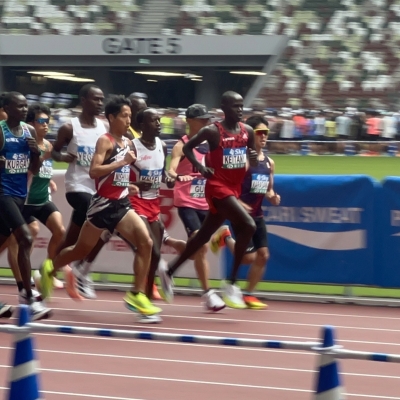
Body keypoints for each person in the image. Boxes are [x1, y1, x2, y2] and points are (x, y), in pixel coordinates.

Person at [52, 95, 161, 321]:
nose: (128, 120)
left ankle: (136, 295)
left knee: (146, 242)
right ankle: (49, 269)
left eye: (130, 116)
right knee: (79, 251)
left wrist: (129, 185)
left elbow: (118, 176)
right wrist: (122, 162)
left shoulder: (128, 142)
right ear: (111, 117)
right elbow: (94, 171)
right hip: (102, 205)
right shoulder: (105, 140)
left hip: (121, 203)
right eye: (124, 116)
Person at [158, 91, 258, 307]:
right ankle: (230, 283)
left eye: (242, 106)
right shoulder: (212, 132)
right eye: (235, 106)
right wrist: (202, 168)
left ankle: (170, 270)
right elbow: (186, 148)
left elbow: (253, 163)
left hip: (233, 188)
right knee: (248, 226)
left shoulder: (247, 131)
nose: (240, 110)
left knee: (201, 240)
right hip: (216, 189)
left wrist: (253, 159)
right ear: (224, 107)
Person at [210, 115, 281, 309]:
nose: (263, 137)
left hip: (257, 214)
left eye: (266, 133)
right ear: (250, 135)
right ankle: (225, 236)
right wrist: (238, 203)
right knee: (248, 258)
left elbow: (268, 189)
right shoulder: (241, 160)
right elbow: (227, 185)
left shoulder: (269, 163)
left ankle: (249, 295)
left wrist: (273, 196)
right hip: (240, 214)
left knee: (263, 255)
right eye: (259, 133)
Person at [46, 84, 108, 300]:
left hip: (96, 188)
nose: (100, 103)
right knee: (103, 217)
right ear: (83, 100)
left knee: (71, 239)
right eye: (95, 99)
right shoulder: (69, 127)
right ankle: (81, 271)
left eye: (102, 99)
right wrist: (62, 157)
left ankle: (47, 273)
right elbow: (54, 150)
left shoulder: (103, 128)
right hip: (77, 187)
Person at [168, 104, 225, 311]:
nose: (206, 123)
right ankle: (208, 294)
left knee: (196, 250)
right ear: (190, 121)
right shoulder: (180, 145)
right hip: (187, 203)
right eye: (202, 119)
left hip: (206, 203)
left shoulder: (210, 146)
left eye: (207, 119)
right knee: (201, 248)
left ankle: (172, 252)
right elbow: (171, 171)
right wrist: (177, 176)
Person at [0, 92, 51, 319]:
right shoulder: (1, 131)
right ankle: (28, 298)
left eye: (25, 106)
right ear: (7, 108)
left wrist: (34, 152)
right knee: (26, 238)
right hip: (2, 194)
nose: (23, 110)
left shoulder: (29, 132)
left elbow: (36, 168)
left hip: (20, 195)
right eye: (19, 106)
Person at [129, 107, 175, 301]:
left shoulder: (162, 146)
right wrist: (136, 184)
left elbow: (161, 171)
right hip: (135, 202)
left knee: (156, 255)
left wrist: (169, 179)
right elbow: (116, 176)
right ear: (141, 125)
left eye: (159, 120)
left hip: (153, 202)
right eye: (153, 121)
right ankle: (137, 293)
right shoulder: (131, 147)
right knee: (149, 249)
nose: (158, 124)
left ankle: (146, 294)